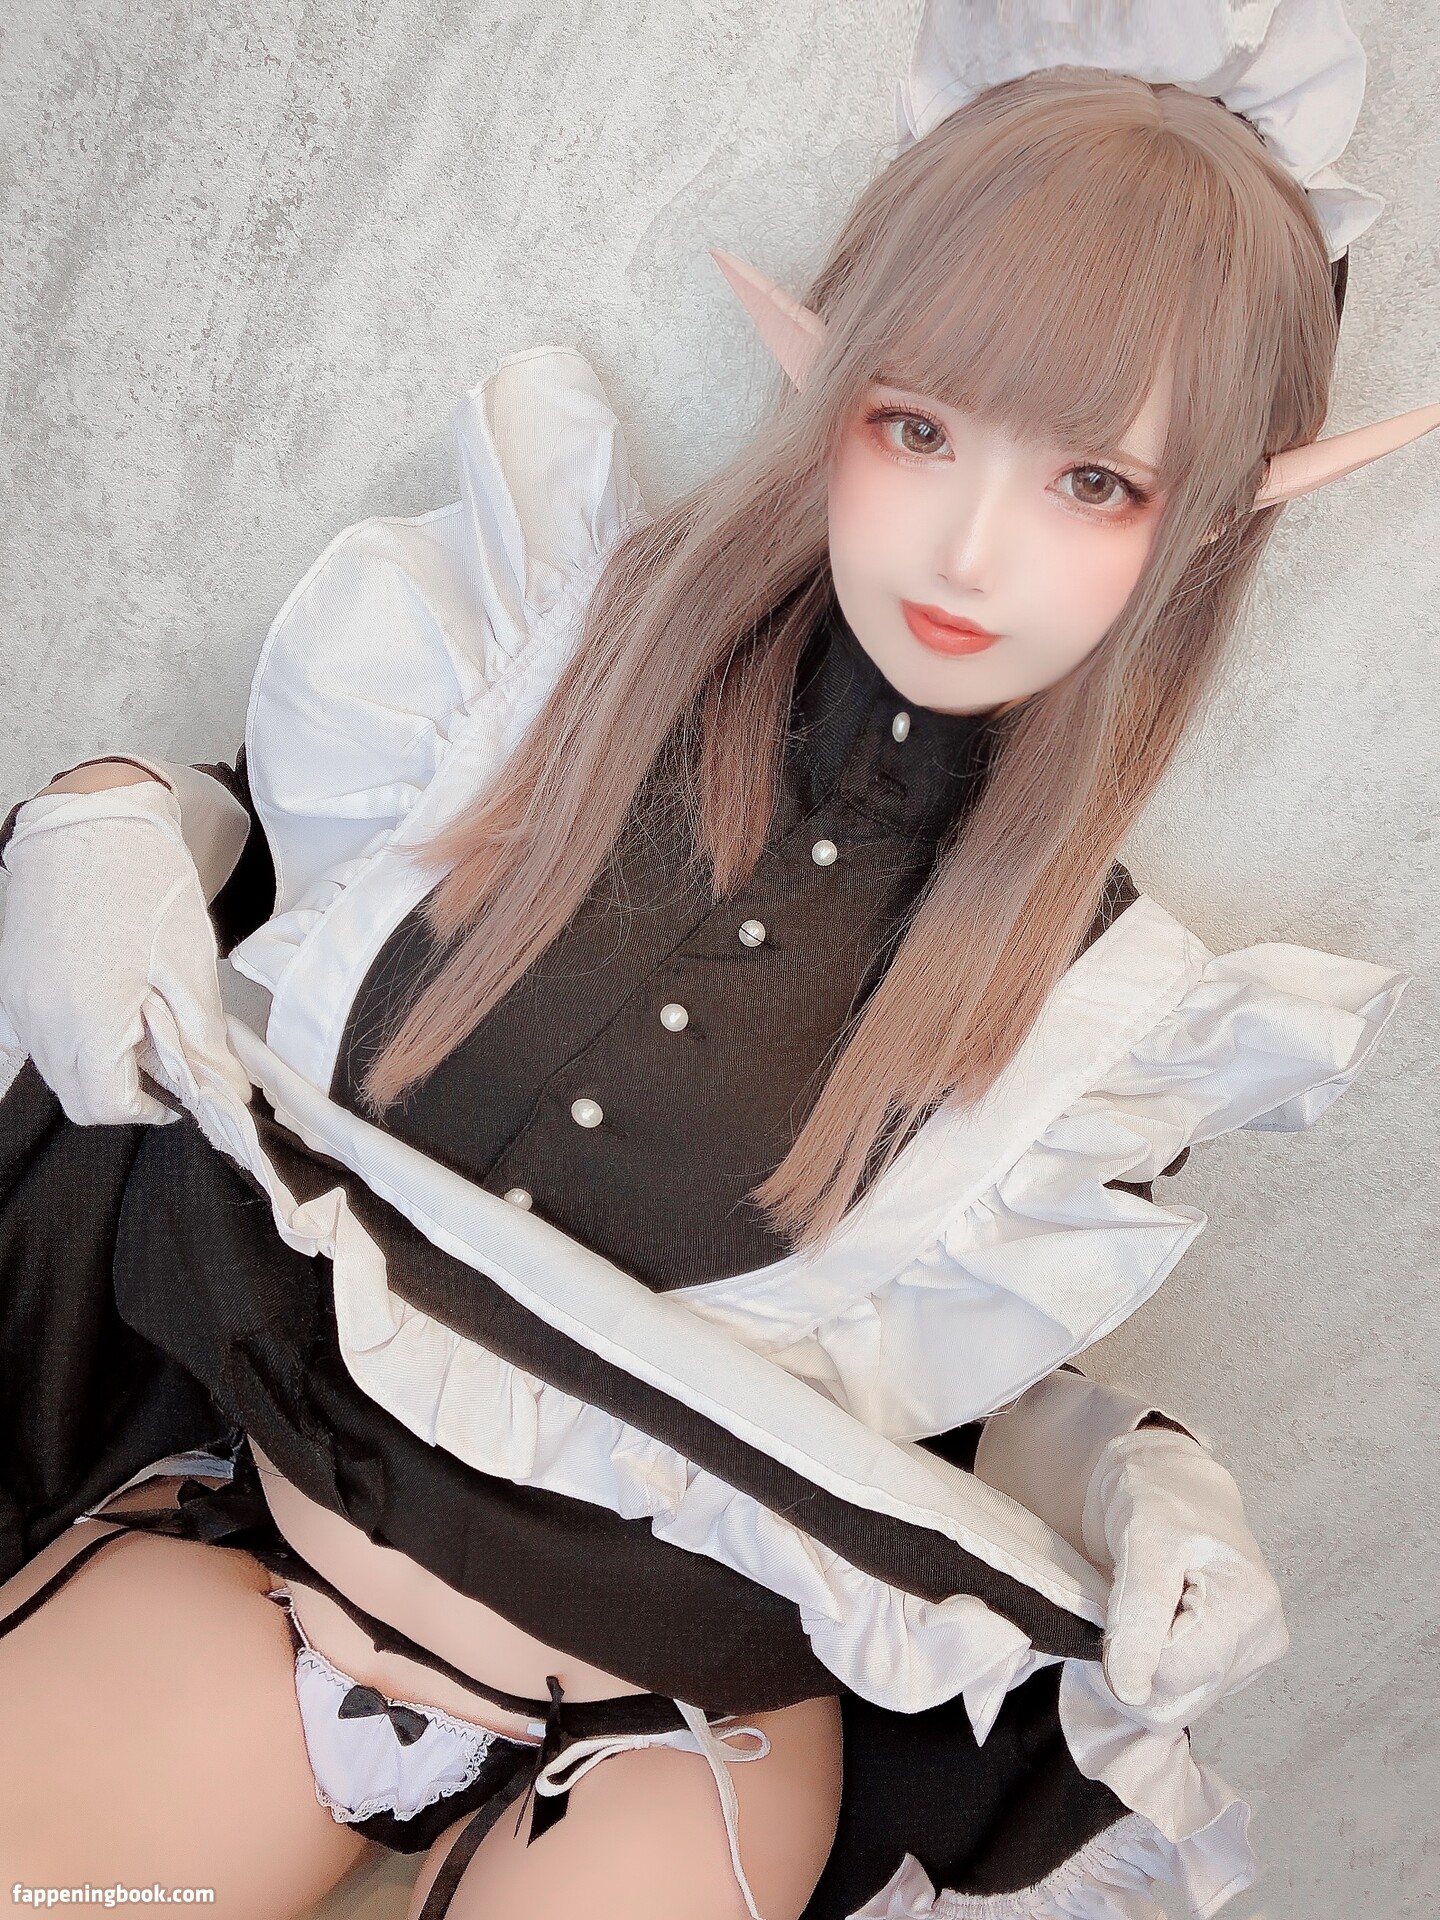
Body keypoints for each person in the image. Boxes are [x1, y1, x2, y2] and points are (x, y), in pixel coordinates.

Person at [0, 5, 1425, 1917]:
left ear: (1222, 518)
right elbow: (250, 857)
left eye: (1096, 481)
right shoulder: (523, 665)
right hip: (288, 1586)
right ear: (828, 376)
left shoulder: (1107, 1015)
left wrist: (1143, 1490)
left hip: (692, 1739)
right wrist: (99, 820)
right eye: (918, 426)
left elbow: (933, 1388)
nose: (970, 550)